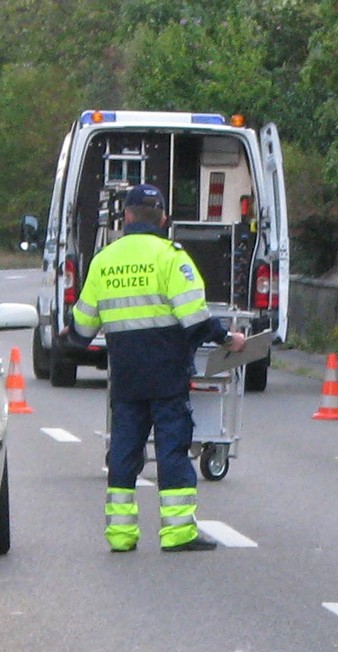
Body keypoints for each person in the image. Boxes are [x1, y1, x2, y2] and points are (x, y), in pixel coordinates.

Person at [68, 183, 246, 552]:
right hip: (167, 377)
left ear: (127, 217)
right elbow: (196, 320)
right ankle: (178, 533)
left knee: (123, 453)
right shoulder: (171, 257)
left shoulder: (105, 260)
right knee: (171, 450)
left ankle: (120, 536)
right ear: (163, 218)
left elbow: (81, 331)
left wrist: (64, 339)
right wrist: (228, 337)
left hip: (127, 379)